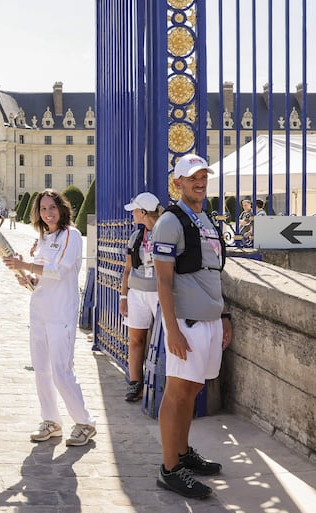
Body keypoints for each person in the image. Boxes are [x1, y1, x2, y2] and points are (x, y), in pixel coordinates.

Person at [152, 153, 232, 499]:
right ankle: (170, 469)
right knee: (178, 392)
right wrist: (172, 329)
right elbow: (163, 281)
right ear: (177, 183)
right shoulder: (170, 222)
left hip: (210, 319)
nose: (200, 183)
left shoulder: (205, 219)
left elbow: (213, 272)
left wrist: (224, 315)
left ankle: (183, 453)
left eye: (203, 177)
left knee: (194, 390)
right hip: (186, 323)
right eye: (192, 178)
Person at [3, 189, 96, 447]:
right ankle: (51, 420)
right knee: (42, 370)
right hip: (40, 312)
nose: (48, 213)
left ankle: (85, 422)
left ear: (62, 208)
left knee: (61, 372)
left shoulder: (71, 235)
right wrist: (29, 280)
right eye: (43, 209)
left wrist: (26, 266)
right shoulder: (43, 239)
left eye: (52, 208)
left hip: (61, 313)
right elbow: (42, 278)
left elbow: (59, 270)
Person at [120, 192, 164, 402]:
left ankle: (164, 384)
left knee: (165, 339)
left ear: (144, 212)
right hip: (137, 293)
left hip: (159, 292)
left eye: (135, 211)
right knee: (136, 339)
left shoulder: (166, 233)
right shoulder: (135, 237)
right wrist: (123, 297)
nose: (133, 215)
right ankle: (135, 383)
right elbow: (128, 269)